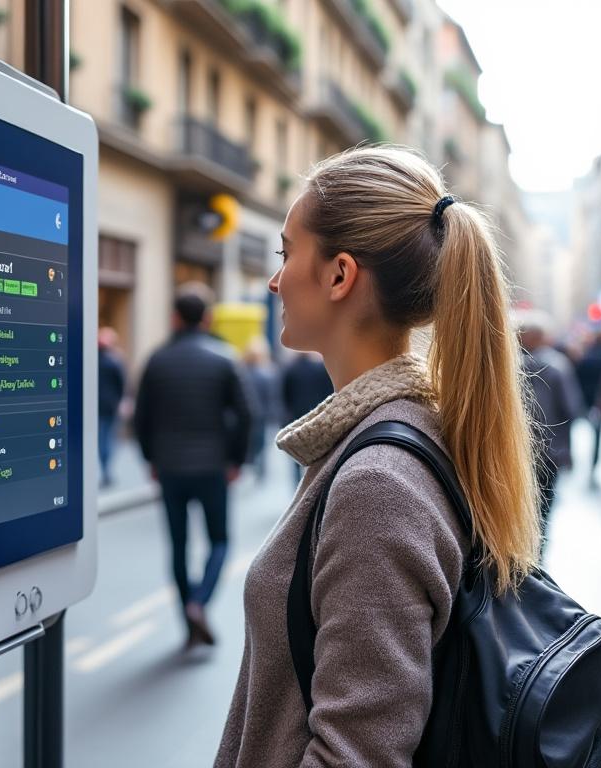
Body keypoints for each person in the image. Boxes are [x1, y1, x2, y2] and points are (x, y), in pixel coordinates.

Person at [215, 147, 540, 766]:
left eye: (287, 254)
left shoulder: (377, 485)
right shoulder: (403, 433)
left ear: (340, 275)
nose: (274, 280)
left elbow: (357, 754)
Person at [134, 283, 255, 648]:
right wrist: (236, 459)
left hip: (170, 467)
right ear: (208, 318)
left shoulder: (157, 360)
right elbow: (247, 413)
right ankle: (199, 603)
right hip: (212, 467)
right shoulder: (224, 358)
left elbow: (142, 417)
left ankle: (188, 621)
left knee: (178, 545)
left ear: (174, 317)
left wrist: (150, 458)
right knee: (219, 541)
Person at [517, 311, 583, 547]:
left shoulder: (506, 366)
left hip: (515, 450)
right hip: (550, 451)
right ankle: (537, 554)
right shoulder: (557, 366)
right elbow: (571, 409)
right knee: (544, 505)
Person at [280, 351, 333, 483]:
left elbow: (285, 396)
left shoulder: (290, 369)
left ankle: (299, 484)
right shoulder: (320, 368)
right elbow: (327, 391)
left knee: (296, 453)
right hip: (316, 413)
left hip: (296, 415)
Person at [574, 330, 601, 488]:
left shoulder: (585, 357)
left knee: (592, 433)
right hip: (599, 400)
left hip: (587, 399)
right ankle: (594, 462)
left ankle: (591, 463)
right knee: (597, 433)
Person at [242, 338, 279, 482]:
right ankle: (260, 470)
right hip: (262, 415)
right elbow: (272, 397)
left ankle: (250, 465)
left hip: (248, 414)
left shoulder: (242, 373)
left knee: (250, 441)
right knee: (261, 442)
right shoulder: (268, 374)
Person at [96, 327, 126, 488]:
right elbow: (121, 383)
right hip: (110, 405)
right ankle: (106, 471)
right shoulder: (115, 360)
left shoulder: (93, 359)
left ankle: (105, 470)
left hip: (99, 405)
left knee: (103, 439)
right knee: (108, 439)